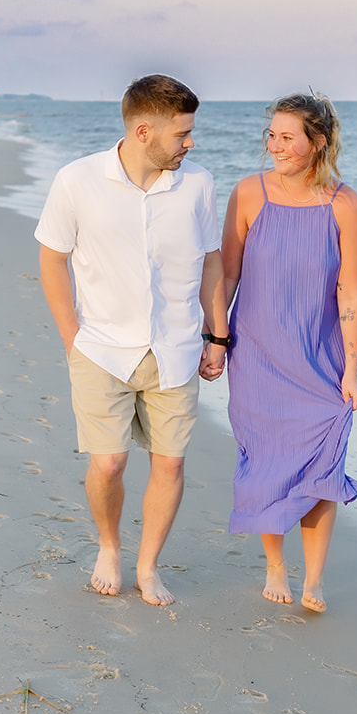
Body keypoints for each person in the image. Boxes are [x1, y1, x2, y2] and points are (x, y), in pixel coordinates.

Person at [35, 75, 224, 606]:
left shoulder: (198, 185)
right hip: (100, 350)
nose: (191, 143)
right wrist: (72, 336)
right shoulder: (77, 181)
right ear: (144, 131)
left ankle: (148, 565)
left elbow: (213, 260)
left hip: (178, 349)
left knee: (170, 464)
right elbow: (52, 258)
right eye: (183, 133)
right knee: (109, 463)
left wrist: (218, 336)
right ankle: (110, 547)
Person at [201, 92, 357, 613]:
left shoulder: (345, 205)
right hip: (258, 358)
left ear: (318, 143)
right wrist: (217, 339)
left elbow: (350, 292)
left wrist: (352, 369)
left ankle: (314, 579)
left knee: (323, 471)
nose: (274, 145)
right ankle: (276, 565)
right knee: (267, 464)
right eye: (271, 134)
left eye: (287, 137)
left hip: (320, 362)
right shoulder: (249, 194)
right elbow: (227, 274)